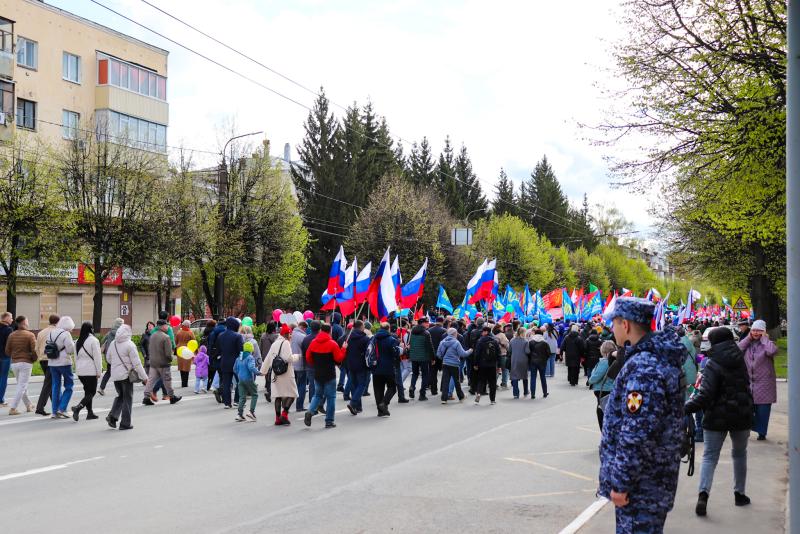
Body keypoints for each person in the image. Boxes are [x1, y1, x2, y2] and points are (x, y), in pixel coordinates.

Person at [599, 298, 685, 533]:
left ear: (625, 325)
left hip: (642, 486)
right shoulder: (651, 358)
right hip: (651, 480)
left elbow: (637, 432)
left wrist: (621, 483)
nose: (612, 329)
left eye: (614, 323)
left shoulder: (645, 365)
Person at [685, 327, 753, 516]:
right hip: (741, 414)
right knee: (739, 454)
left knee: (709, 457)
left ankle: (703, 495)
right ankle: (740, 494)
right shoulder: (741, 360)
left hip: (716, 416)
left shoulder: (712, 363)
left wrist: (686, 407)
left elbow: (705, 395)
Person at [738, 319, 778, 440]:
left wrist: (764, 339)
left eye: (759, 330)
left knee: (763, 410)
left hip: (765, 382)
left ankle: (762, 433)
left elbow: (772, 351)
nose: (756, 333)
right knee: (748, 408)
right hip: (749, 381)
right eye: (754, 330)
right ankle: (747, 429)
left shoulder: (768, 343)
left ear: (764, 331)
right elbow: (737, 349)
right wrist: (748, 338)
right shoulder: (747, 342)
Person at [106, 324, 148, 430]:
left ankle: (112, 416)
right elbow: (137, 363)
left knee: (120, 396)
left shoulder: (113, 343)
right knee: (127, 398)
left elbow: (108, 359)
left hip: (115, 375)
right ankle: (125, 423)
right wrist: (144, 377)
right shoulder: (130, 344)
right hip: (126, 376)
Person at [304, 323, 345, 429]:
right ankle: (329, 421)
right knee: (331, 397)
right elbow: (339, 358)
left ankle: (310, 411)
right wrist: (344, 349)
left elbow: (308, 358)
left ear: (321, 330)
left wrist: (316, 364)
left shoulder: (313, 342)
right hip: (330, 374)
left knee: (317, 395)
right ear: (330, 331)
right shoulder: (333, 344)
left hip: (318, 373)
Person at [262, 324, 298, 425]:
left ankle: (278, 419)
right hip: (286, 373)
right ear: (286, 334)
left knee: (278, 395)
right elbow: (288, 358)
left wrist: (263, 371)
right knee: (292, 393)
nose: (291, 336)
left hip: (276, 373)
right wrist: (297, 356)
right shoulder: (286, 342)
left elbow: (268, 358)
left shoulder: (275, 343)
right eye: (290, 334)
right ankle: (284, 414)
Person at [142, 319, 182, 406]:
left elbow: (150, 349)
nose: (167, 327)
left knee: (151, 380)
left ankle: (146, 397)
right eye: (166, 325)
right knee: (167, 380)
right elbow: (168, 353)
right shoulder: (166, 337)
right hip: (163, 363)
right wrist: (171, 358)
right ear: (163, 326)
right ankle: (172, 397)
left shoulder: (152, 336)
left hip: (153, 362)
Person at [5, 315, 37, 415]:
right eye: (27, 322)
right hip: (26, 363)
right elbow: (34, 350)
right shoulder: (30, 335)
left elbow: (7, 351)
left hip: (14, 363)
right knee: (22, 386)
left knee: (22, 385)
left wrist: (14, 356)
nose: (28, 323)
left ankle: (28, 405)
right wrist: (33, 359)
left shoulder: (11, 335)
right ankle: (13, 408)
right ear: (23, 323)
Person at [71, 321, 102, 421]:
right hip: (91, 370)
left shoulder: (77, 342)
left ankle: (90, 413)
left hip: (81, 371)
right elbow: (97, 358)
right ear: (91, 329)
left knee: (87, 392)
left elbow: (75, 358)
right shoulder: (94, 340)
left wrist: (77, 370)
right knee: (91, 392)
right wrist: (99, 371)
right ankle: (78, 408)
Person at [48, 316, 76, 419]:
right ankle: (62, 409)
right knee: (69, 385)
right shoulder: (66, 334)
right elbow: (70, 350)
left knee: (55, 386)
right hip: (64, 362)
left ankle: (54, 412)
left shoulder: (51, 332)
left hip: (52, 362)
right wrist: (74, 344)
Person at [371, 322, 401, 416]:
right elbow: (395, 353)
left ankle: (380, 411)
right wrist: (401, 349)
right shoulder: (391, 339)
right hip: (388, 367)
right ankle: (384, 403)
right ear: (388, 329)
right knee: (392, 387)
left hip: (375, 367)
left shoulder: (373, 338)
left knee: (378, 390)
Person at [214, 317, 243, 409]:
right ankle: (236, 401)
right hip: (236, 363)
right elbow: (241, 351)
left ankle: (227, 403)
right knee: (239, 382)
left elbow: (218, 351)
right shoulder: (238, 336)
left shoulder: (220, 335)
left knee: (226, 383)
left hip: (224, 362)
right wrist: (242, 361)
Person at [34, 314, 60, 416]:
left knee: (50, 382)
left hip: (42, 360)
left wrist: (40, 356)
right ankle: (40, 407)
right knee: (49, 383)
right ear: (58, 322)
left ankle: (56, 406)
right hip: (52, 360)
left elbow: (36, 348)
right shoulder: (57, 332)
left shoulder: (41, 332)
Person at [437, 327, 471, 403]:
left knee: (445, 381)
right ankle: (461, 397)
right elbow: (463, 354)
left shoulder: (442, 342)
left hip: (445, 363)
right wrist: (470, 351)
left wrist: (444, 358)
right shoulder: (456, 342)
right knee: (456, 381)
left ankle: (444, 399)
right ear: (454, 334)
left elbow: (438, 354)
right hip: (454, 364)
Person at [344, 320, 371, 415]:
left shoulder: (348, 336)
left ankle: (358, 407)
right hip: (361, 364)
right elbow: (369, 351)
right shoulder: (365, 338)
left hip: (350, 363)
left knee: (355, 385)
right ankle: (353, 403)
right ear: (361, 327)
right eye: (363, 326)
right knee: (362, 384)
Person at [589, 340, 617, 429]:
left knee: (602, 414)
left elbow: (597, 375)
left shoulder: (605, 362)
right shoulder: (615, 361)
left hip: (603, 390)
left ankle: (605, 438)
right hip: (610, 389)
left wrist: (589, 381)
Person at [408, 318, 435, 401]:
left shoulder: (412, 332)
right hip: (424, 357)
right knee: (425, 375)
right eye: (426, 323)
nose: (428, 324)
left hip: (414, 356)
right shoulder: (426, 333)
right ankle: (422, 394)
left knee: (415, 374)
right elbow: (430, 346)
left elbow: (410, 343)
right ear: (422, 323)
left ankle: (412, 387)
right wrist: (433, 358)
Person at [473, 325, 501, 404]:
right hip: (492, 365)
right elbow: (498, 354)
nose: (481, 333)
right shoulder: (495, 341)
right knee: (492, 382)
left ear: (486, 332)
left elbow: (477, 353)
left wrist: (475, 364)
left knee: (481, 380)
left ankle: (478, 393)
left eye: (482, 331)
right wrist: (499, 366)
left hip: (482, 364)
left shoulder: (480, 341)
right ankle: (492, 400)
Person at [234, 341, 260, 422]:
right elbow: (251, 367)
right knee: (255, 394)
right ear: (251, 349)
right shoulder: (250, 357)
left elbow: (234, 369)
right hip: (248, 379)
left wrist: (240, 374)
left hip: (240, 379)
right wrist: (258, 373)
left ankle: (239, 414)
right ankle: (251, 412)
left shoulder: (239, 357)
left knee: (242, 397)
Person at [98, 317, 123, 396]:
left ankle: (101, 388)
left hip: (108, 356)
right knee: (119, 373)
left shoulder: (109, 333)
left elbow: (102, 341)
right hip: (117, 356)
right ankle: (120, 391)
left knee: (108, 372)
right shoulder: (120, 334)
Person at [258, 321, 279, 402]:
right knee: (272, 372)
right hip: (273, 356)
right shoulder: (275, 336)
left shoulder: (263, 335)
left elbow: (260, 347)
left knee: (267, 370)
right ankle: (270, 390)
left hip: (265, 356)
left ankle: (267, 384)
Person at [290, 321, 308, 411]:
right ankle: (299, 406)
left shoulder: (290, 335)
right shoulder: (303, 337)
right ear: (303, 328)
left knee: (293, 385)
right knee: (301, 385)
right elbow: (306, 351)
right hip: (301, 364)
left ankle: (287, 406)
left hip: (291, 364)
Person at [428, 317, 447, 396]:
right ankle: (443, 388)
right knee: (445, 373)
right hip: (442, 354)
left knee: (433, 372)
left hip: (431, 354)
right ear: (442, 322)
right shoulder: (444, 331)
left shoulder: (429, 330)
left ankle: (433, 390)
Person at [509, 327, 530, 399]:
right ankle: (525, 391)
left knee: (515, 376)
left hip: (514, 360)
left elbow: (510, 350)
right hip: (523, 360)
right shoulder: (525, 341)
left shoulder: (512, 340)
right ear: (523, 333)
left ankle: (516, 394)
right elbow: (527, 351)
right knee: (524, 376)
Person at [528, 329, 550, 399]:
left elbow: (528, 352)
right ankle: (545, 392)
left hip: (533, 362)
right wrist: (545, 359)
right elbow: (548, 353)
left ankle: (533, 394)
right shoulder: (545, 342)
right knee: (543, 377)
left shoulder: (531, 342)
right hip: (542, 362)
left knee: (533, 378)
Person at [175, 320, 196, 388]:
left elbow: (176, 341)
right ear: (188, 325)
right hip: (187, 350)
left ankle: (182, 382)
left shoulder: (179, 332)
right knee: (186, 367)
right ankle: (185, 383)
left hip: (180, 350)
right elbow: (194, 342)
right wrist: (196, 352)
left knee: (181, 367)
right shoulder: (190, 333)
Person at [0, 312, 13, 407]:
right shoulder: (8, 329)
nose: (12, 319)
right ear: (6, 318)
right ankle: (1, 399)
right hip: (5, 356)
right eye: (11, 318)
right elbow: (10, 344)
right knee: (3, 378)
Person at [493, 324, 511, 389]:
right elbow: (506, 344)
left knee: (496, 369)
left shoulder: (494, 335)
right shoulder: (502, 335)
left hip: (495, 355)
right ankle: (504, 383)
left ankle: (493, 383)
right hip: (502, 354)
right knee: (505, 369)